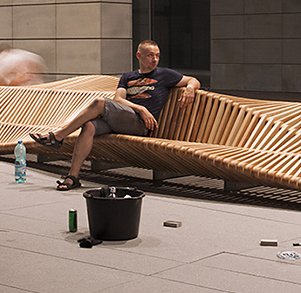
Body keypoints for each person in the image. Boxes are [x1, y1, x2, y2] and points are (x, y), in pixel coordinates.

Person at [30, 40, 200, 190]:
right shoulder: (128, 77)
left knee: (99, 103)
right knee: (89, 126)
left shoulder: (165, 74)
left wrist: (190, 88)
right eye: (150, 55)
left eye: (157, 55)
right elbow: (119, 99)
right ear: (139, 55)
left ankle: (58, 137)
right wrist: (140, 108)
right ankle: (72, 177)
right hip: (125, 118)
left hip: (141, 125)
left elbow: (193, 80)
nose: (154, 59)